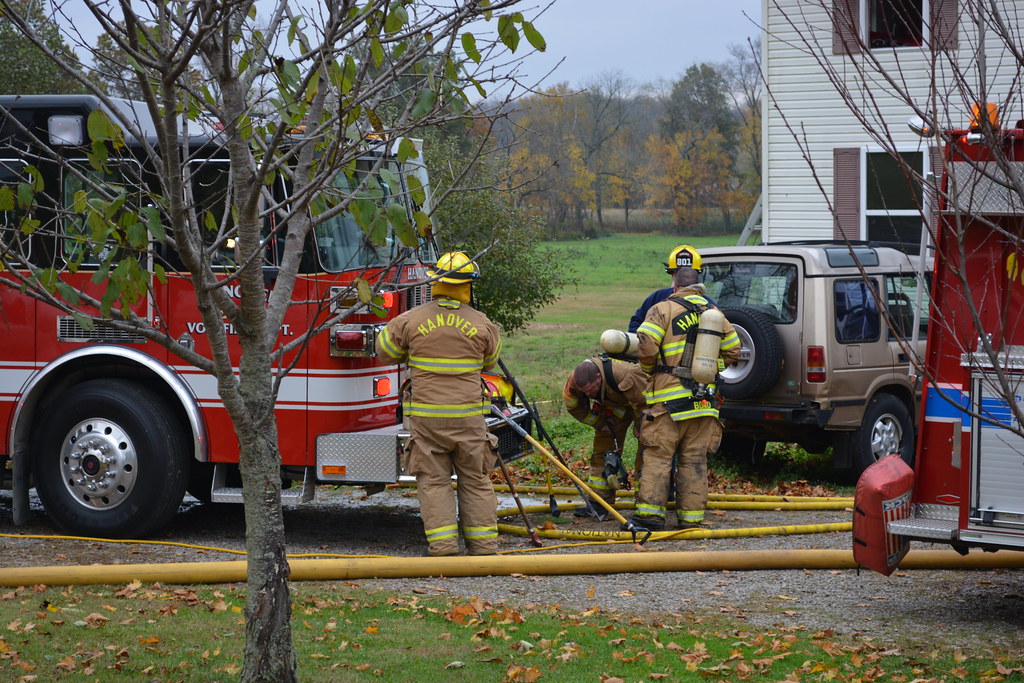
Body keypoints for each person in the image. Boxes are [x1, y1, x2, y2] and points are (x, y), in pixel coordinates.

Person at [376, 251, 502, 557]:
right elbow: (490, 362)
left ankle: (444, 548)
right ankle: (484, 548)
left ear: (435, 281)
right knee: (475, 480)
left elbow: (384, 352)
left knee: (434, 483)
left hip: (427, 420)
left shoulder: (410, 320)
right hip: (469, 419)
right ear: (469, 284)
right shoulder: (483, 325)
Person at [629, 245, 741, 531]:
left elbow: (646, 346)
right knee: (694, 460)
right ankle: (691, 521)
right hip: (704, 400)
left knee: (658, 455)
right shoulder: (714, 312)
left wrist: (650, 370)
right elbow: (734, 351)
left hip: (668, 401)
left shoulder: (662, 308)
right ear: (699, 281)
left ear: (674, 280)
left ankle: (649, 517)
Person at [562, 355, 648, 515]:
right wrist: (600, 422)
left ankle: (647, 505)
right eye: (584, 392)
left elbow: (646, 402)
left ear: (598, 377)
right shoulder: (575, 382)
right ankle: (599, 503)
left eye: (591, 390)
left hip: (642, 406)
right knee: (602, 453)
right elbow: (573, 406)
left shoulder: (625, 374)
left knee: (648, 453)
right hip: (614, 408)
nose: (588, 395)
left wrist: (640, 425)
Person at [628, 245, 717, 333]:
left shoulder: (708, 305)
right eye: (678, 274)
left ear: (697, 276)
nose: (683, 279)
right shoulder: (657, 298)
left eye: (688, 275)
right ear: (672, 275)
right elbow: (636, 323)